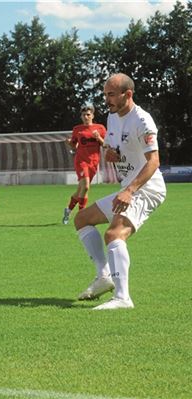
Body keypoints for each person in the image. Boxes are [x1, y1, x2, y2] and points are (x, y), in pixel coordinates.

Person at [74, 73, 166, 310]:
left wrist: (131, 190)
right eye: (105, 94)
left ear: (128, 94)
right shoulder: (112, 117)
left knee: (114, 235)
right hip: (129, 187)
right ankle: (104, 276)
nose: (107, 100)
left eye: (112, 94)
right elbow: (116, 148)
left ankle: (123, 297)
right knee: (82, 219)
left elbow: (153, 161)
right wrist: (111, 154)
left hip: (147, 188)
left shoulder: (143, 120)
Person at [63, 105, 106, 224]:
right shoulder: (77, 129)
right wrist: (69, 143)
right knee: (86, 186)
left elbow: (106, 145)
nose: (86, 117)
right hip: (81, 161)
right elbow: (74, 145)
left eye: (88, 114)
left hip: (94, 162)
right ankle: (82, 215)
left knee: (80, 190)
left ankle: (68, 210)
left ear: (92, 115)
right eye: (84, 115)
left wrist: (99, 138)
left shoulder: (100, 128)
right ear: (81, 116)